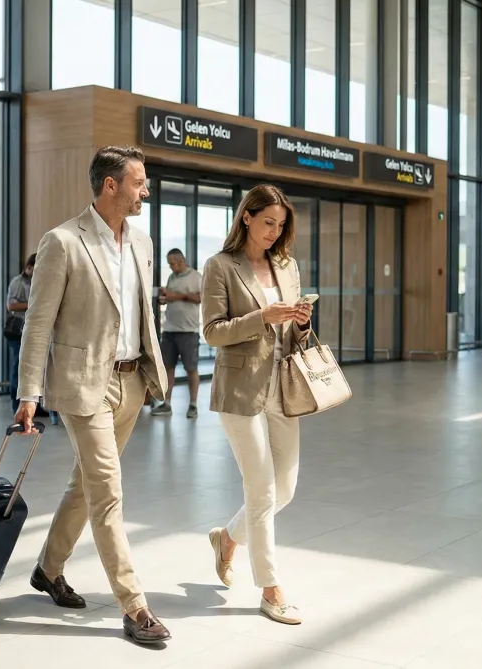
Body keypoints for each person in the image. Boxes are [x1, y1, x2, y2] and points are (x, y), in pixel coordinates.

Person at [13, 145, 171, 644]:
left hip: (131, 382)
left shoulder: (143, 243)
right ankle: (134, 606)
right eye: (139, 182)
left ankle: (48, 568)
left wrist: (151, 373)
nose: (146, 189)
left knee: (84, 485)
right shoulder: (63, 242)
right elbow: (37, 327)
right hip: (84, 385)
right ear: (111, 186)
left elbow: (145, 314)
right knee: (107, 492)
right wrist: (28, 393)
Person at [200, 184, 313, 626]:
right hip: (240, 390)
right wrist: (261, 318)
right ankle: (270, 587)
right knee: (261, 489)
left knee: (285, 486)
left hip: (283, 386)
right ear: (246, 216)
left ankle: (228, 539)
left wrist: (300, 324)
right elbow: (212, 331)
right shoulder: (220, 266)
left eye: (280, 225)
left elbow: (293, 336)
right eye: (268, 222)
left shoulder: (287, 266)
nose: (274, 232)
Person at [151, 248, 202, 419]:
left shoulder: (196, 277)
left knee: (191, 369)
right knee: (167, 369)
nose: (171, 267)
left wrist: (176, 296)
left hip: (188, 332)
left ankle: (193, 405)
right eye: (169, 264)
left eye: (172, 263)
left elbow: (201, 298)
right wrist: (167, 298)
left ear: (182, 260)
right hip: (169, 331)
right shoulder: (172, 277)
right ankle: (166, 404)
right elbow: (174, 297)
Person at [4, 254, 36, 413]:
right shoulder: (18, 282)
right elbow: (11, 306)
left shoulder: (35, 283)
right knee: (18, 366)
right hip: (17, 331)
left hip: (29, 330)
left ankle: (33, 405)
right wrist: (33, 304)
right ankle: (16, 405)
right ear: (28, 267)